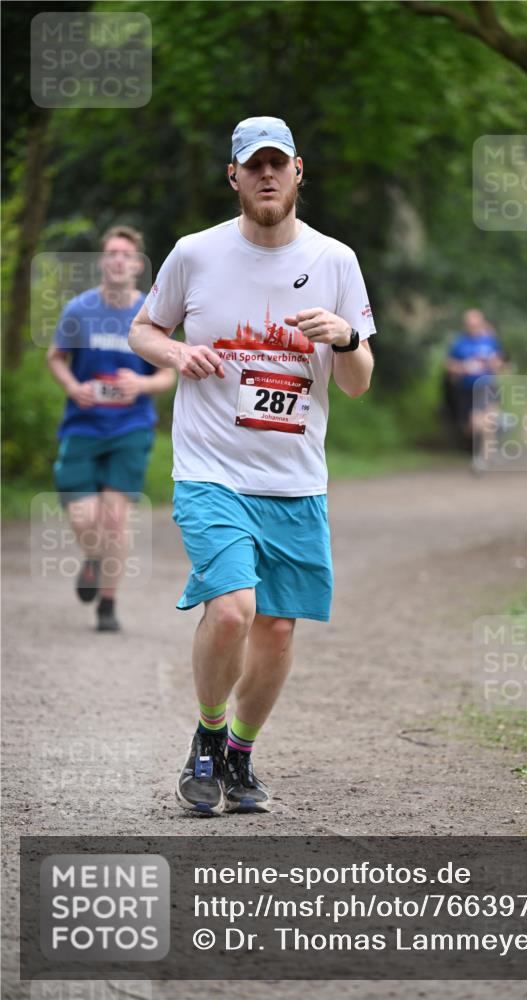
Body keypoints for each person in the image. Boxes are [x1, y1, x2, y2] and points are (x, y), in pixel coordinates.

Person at [128, 116, 376, 814]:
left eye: (278, 164)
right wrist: (177, 354)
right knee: (235, 610)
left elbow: (356, 382)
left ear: (298, 171)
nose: (266, 176)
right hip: (211, 471)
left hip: (295, 480)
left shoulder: (335, 260)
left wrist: (347, 336)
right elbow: (143, 329)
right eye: (252, 165)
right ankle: (205, 741)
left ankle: (238, 756)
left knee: (277, 626)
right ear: (233, 176)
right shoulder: (194, 254)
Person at [47, 226, 175, 632]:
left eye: (126, 255)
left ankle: (108, 604)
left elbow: (167, 374)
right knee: (86, 519)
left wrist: (141, 384)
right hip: (82, 426)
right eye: (111, 254)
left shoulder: (150, 316)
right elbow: (55, 357)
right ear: (103, 262)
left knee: (115, 520)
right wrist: (73, 387)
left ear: (138, 265)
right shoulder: (79, 310)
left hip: (130, 427)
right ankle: (94, 559)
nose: (118, 260)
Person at [445, 309, 503, 465]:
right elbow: (449, 365)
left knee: (484, 419)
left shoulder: (490, 341)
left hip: (486, 386)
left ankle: (482, 456)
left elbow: (499, 362)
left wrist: (494, 364)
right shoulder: (459, 343)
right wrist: (464, 367)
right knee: (471, 426)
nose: (473, 326)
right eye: (469, 323)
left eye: (475, 323)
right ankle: (490, 446)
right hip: (465, 389)